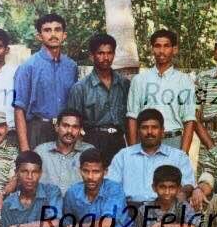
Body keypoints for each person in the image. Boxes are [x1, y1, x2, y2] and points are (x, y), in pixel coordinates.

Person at [13, 13, 78, 150]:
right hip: (38, 130)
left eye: (57, 30)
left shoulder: (71, 66)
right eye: (47, 30)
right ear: (39, 36)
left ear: (64, 35)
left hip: (66, 131)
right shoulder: (28, 67)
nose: (53, 34)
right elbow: (19, 109)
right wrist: (25, 149)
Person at [65, 32, 130, 165]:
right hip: (92, 142)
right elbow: (73, 124)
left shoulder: (124, 84)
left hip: (119, 142)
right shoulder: (80, 88)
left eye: (109, 53)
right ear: (91, 56)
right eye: (100, 53)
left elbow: (130, 120)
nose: (105, 57)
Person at [126, 29, 196, 151]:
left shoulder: (185, 81)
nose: (161, 51)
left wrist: (183, 154)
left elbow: (189, 120)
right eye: (157, 46)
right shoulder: (139, 80)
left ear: (174, 49)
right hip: (145, 141)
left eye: (166, 46)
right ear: (152, 49)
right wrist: (132, 153)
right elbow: (132, 117)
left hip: (173, 141)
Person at [107, 109, 196, 205]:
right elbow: (111, 186)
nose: (149, 132)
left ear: (162, 131)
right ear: (138, 131)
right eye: (144, 127)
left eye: (154, 127)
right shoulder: (123, 156)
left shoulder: (178, 157)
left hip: (165, 208)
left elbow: (188, 185)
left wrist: (179, 197)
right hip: (129, 208)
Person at [34, 109, 95, 192]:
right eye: (65, 126)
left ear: (80, 130)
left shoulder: (88, 151)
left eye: (75, 127)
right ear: (57, 127)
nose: (70, 131)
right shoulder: (41, 152)